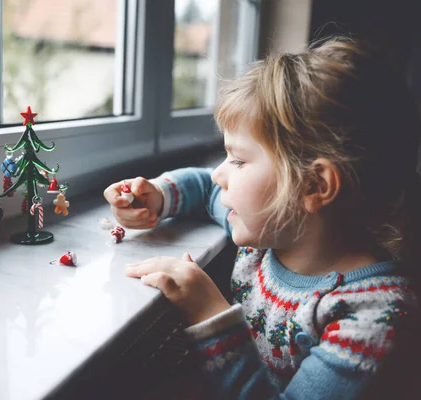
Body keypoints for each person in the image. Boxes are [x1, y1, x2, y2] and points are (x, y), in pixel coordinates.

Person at [103, 37, 421, 398]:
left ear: (313, 185)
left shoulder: (374, 319)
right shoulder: (274, 231)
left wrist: (209, 313)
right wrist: (156, 197)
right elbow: (205, 189)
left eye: (237, 159)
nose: (218, 174)